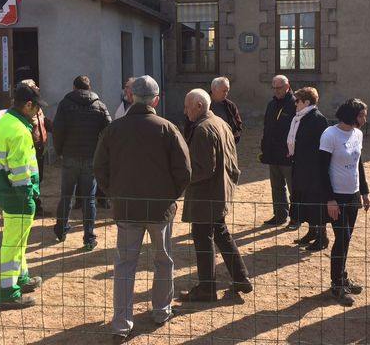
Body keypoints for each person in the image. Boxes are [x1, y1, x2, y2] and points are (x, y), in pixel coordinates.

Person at [93, 75, 191, 342]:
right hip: (160, 211)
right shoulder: (168, 128)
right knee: (163, 260)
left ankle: (122, 324)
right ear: (156, 100)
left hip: (127, 209)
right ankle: (161, 311)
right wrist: (170, 197)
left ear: (131, 96)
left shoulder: (115, 129)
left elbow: (99, 168)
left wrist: (115, 194)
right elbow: (184, 171)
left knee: (125, 265)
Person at [179, 88, 252, 302]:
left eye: (187, 106)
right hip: (221, 191)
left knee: (203, 238)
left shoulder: (202, 129)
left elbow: (202, 169)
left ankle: (207, 288)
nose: (185, 111)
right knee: (221, 233)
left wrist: (181, 176)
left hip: (206, 195)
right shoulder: (221, 123)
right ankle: (241, 277)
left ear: (199, 106)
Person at [0, 83, 46, 309]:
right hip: (17, 194)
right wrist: (29, 196)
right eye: (37, 106)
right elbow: (21, 169)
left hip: (4, 188)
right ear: (28, 105)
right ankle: (7, 292)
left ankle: (21, 277)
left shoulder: (4, 122)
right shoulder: (19, 130)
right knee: (13, 243)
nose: (39, 111)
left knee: (18, 239)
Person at [319, 99, 370, 306]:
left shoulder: (358, 134)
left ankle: (343, 277)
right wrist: (329, 199)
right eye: (361, 115)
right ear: (350, 115)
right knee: (342, 237)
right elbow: (321, 169)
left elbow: (360, 163)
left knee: (347, 239)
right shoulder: (330, 135)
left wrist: (364, 192)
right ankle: (337, 284)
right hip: (336, 196)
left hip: (353, 194)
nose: (365, 119)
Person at [53, 75, 111, 251]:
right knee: (89, 199)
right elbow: (109, 129)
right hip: (90, 158)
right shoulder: (99, 105)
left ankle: (61, 229)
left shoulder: (65, 104)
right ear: (89, 87)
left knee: (66, 195)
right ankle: (89, 237)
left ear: (74, 87)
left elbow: (57, 130)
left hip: (70, 156)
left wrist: (59, 150)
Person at [287, 87, 329, 251]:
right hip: (301, 166)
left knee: (316, 202)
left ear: (306, 102)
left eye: (297, 101)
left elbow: (322, 147)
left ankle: (322, 236)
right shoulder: (300, 118)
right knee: (305, 200)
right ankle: (312, 232)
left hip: (313, 170)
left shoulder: (317, 119)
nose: (295, 104)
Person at [260, 75, 297, 227]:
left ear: (287, 86)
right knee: (276, 187)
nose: (276, 91)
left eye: (279, 87)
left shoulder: (295, 104)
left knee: (293, 188)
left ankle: (296, 218)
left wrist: (293, 149)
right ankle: (280, 215)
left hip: (288, 155)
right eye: (274, 88)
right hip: (272, 153)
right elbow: (267, 127)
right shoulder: (271, 104)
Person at [19, 79, 53, 217]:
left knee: (38, 178)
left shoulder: (36, 105)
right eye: (33, 86)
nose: (37, 87)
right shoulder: (23, 109)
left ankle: (34, 205)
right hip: (30, 148)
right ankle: (33, 208)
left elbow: (43, 122)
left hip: (40, 147)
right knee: (31, 179)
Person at [184, 76, 243, 144]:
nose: (226, 93)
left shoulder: (230, 106)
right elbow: (189, 125)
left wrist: (232, 139)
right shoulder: (201, 104)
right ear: (214, 90)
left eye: (227, 91)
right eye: (224, 91)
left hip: (224, 144)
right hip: (203, 144)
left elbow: (238, 126)